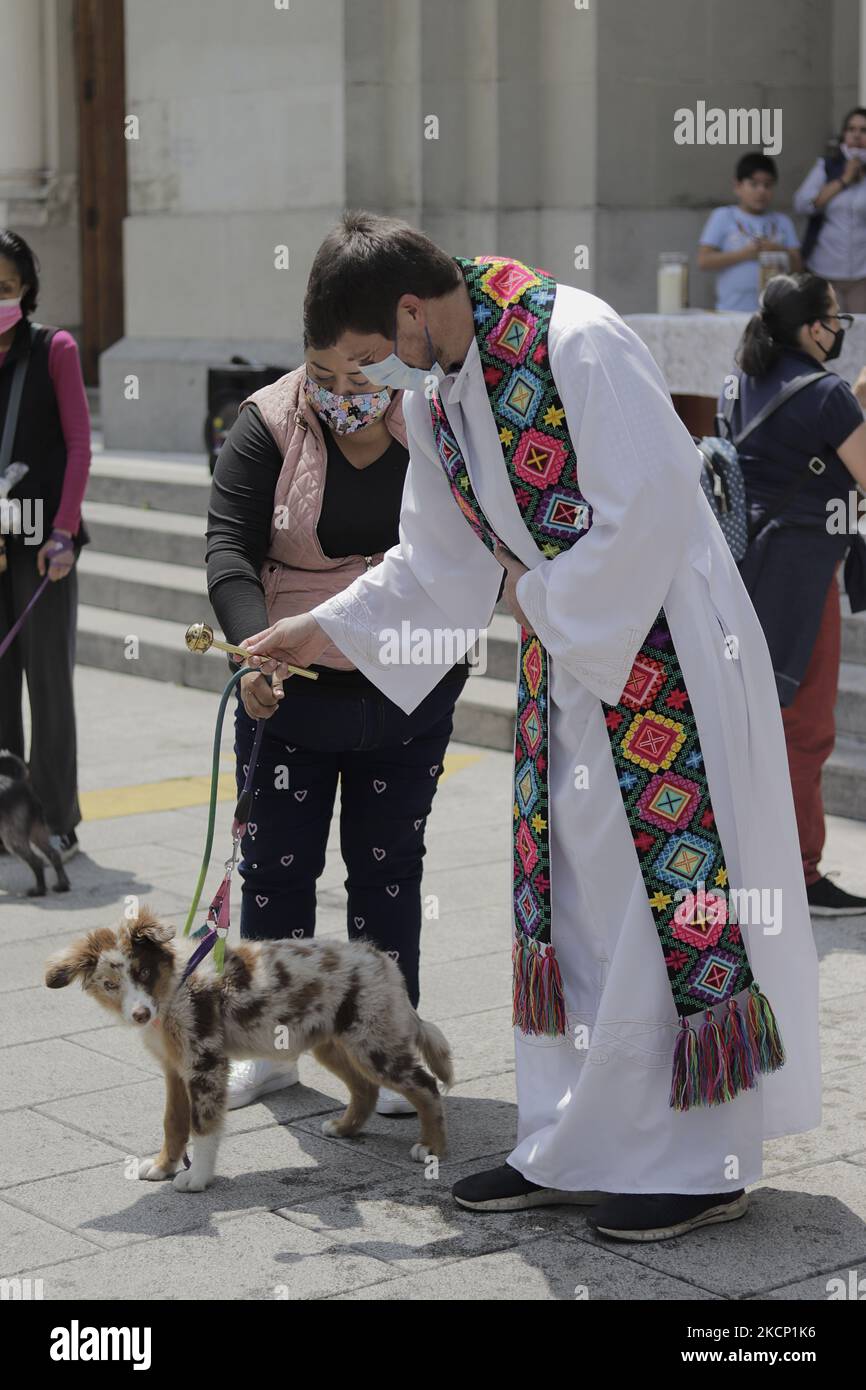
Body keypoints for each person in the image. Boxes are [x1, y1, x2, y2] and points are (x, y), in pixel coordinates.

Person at [241, 212, 821, 1244]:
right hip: (572, 662)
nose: (374, 383)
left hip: (661, 658)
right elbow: (432, 565)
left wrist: (537, 593)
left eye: (375, 354)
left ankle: (699, 1158)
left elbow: (645, 508)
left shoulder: (574, 339)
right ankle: (576, 1142)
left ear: (412, 310)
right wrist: (314, 630)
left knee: (659, 916)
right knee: (573, 907)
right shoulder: (447, 388)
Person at [206, 337, 470, 1112]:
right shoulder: (268, 422)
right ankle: (275, 1044)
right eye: (321, 374)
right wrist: (255, 656)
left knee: (388, 871)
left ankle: (385, 1046)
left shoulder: (433, 420)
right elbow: (229, 547)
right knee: (277, 872)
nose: (338, 392)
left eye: (359, 374)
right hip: (289, 691)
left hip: (408, 684)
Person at [725, 272, 866, 916]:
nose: (840, 331)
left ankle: (753, 859)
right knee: (804, 727)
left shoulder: (743, 380)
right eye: (836, 320)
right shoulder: (828, 394)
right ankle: (801, 874)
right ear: (813, 328)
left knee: (759, 718)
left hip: (744, 569)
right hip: (803, 576)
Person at [0, 230, 89, 861]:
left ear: (26, 289)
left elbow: (80, 445)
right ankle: (9, 820)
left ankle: (57, 817)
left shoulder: (53, 348)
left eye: (4, 288)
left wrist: (63, 531)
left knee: (49, 687)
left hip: (42, 546)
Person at [697, 152, 801, 312]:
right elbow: (704, 261)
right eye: (753, 184)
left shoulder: (782, 221)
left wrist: (777, 250)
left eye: (767, 185)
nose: (761, 191)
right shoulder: (723, 216)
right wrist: (745, 254)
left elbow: (799, 266)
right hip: (731, 310)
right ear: (737, 186)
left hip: (776, 313)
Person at [794, 108, 866, 312]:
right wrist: (844, 180)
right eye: (851, 129)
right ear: (844, 134)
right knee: (829, 331)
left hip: (862, 272)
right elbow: (802, 204)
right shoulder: (826, 167)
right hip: (826, 268)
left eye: (863, 130)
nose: (857, 135)